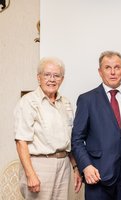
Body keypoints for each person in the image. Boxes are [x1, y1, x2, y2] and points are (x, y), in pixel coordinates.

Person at [71, 51, 121, 200]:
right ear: (100, 72)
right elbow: (76, 139)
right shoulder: (86, 100)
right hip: (98, 175)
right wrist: (86, 166)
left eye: (117, 67)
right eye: (108, 67)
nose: (113, 72)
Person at [14, 57, 82, 200]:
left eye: (56, 76)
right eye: (47, 75)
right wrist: (30, 174)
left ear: (62, 79)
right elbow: (21, 141)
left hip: (63, 165)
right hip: (39, 165)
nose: (52, 79)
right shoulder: (28, 102)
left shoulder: (66, 103)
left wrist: (75, 168)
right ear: (39, 78)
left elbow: (68, 140)